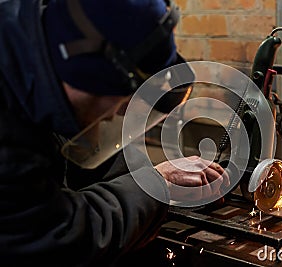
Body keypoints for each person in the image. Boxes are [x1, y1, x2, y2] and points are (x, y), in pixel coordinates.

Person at [0, 0, 229, 266]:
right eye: (122, 102)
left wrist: (155, 179)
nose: (116, 115)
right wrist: (158, 184)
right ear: (90, 77)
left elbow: (89, 155)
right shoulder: (8, 135)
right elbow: (59, 236)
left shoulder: (29, 50)